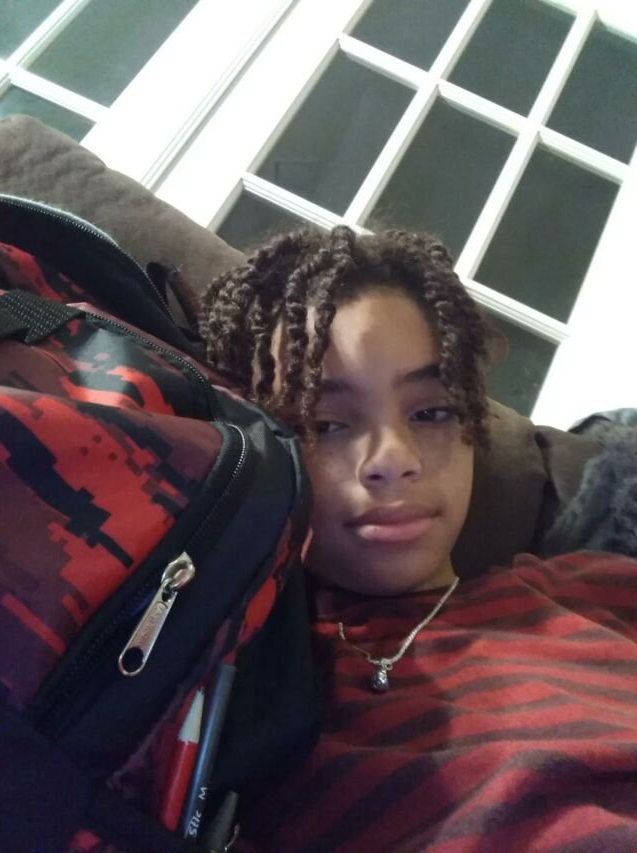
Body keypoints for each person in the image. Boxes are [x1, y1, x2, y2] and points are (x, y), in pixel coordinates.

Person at [201, 226, 637, 852]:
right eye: (326, 423)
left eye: (431, 413)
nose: (394, 460)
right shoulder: (235, 676)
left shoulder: (591, 589)